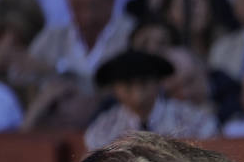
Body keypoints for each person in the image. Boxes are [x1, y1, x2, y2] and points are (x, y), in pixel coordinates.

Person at [82, 47, 217, 149]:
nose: (137, 91)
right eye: (128, 85)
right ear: (115, 90)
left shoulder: (193, 119)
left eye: (143, 82)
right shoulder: (104, 128)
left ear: (157, 82)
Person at [27, 0, 135, 83]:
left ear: (111, 0)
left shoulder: (132, 35)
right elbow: (27, 72)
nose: (87, 15)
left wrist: (57, 72)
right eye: (78, 6)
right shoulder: (51, 38)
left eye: (95, 5)